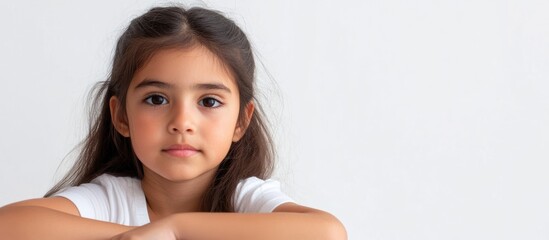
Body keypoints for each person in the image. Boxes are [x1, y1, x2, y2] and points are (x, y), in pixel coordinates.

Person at [0, 5, 346, 240]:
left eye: (209, 101)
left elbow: (327, 232)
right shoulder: (109, 201)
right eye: (156, 99)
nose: (182, 122)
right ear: (121, 116)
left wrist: (176, 230)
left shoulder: (247, 199)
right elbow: (8, 224)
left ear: (242, 120)